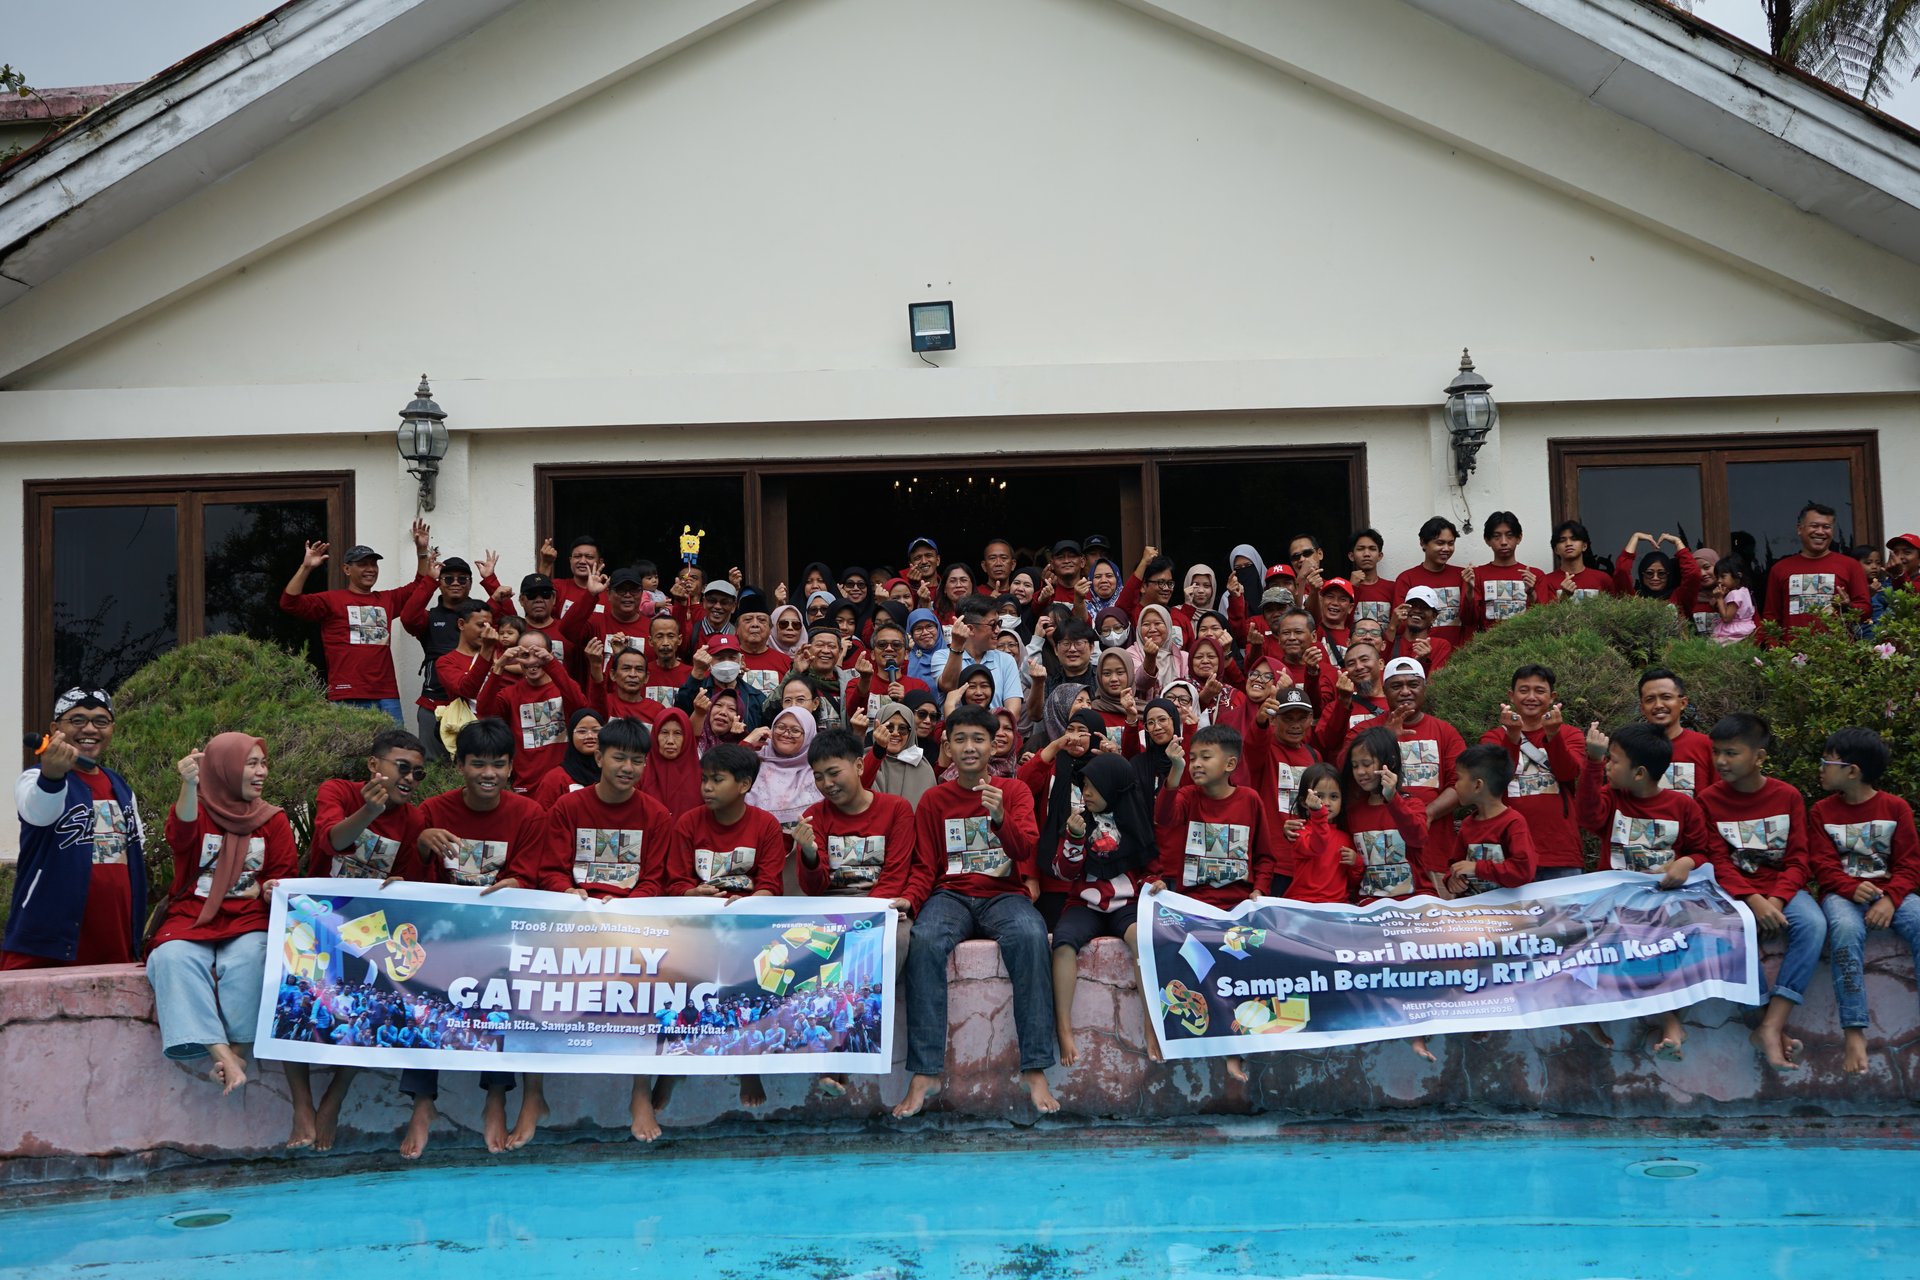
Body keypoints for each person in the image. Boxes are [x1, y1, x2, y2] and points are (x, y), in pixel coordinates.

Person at [895, 706, 1057, 1118]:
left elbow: (1024, 851)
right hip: (950, 895)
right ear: (947, 746)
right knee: (925, 940)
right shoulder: (933, 800)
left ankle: (1035, 1066)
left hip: (1005, 894)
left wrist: (1001, 816)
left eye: (979, 739)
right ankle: (926, 1071)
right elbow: (925, 865)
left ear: (994, 745)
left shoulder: (1015, 791)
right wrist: (911, 902)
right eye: (961, 739)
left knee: (1031, 936)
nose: (970, 747)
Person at [521, 718, 676, 1141]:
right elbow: (549, 870)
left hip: (631, 926)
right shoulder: (568, 808)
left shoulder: (656, 814)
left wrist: (626, 907)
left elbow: (655, 879)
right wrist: (573, 895)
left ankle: (640, 1093)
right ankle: (532, 1093)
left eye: (637, 761)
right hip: (573, 921)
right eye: (619, 757)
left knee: (652, 994)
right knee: (531, 988)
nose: (627, 767)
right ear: (599, 756)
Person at [408, 718, 548, 1157]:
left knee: (507, 993)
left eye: (499, 765)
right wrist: (420, 843)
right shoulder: (429, 812)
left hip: (500, 939)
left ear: (511, 769)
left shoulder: (530, 814)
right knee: (414, 990)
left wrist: (519, 885)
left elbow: (533, 876)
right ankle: (423, 1100)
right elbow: (407, 884)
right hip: (441, 940)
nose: (489, 773)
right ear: (460, 765)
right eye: (478, 764)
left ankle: (496, 1096)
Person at [292, 727, 430, 1150]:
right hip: (316, 918)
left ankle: (337, 1092)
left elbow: (407, 886)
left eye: (418, 774)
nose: (409, 779)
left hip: (367, 928)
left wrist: (402, 882)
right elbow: (332, 841)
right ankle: (302, 1107)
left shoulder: (414, 819)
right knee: (293, 998)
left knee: (376, 999)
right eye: (401, 768)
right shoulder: (337, 790)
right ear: (374, 765)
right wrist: (369, 812)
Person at [147, 733, 297, 1099]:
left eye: (263, 763)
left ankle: (237, 1058)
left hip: (248, 920)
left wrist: (271, 888)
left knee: (254, 956)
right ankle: (223, 1055)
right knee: (170, 958)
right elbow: (181, 835)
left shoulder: (273, 820)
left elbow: (284, 874)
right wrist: (188, 783)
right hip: (192, 917)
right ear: (225, 768)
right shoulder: (196, 809)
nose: (261, 772)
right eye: (251, 764)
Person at [1576, 720, 1715, 1057]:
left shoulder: (1683, 807)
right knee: (1596, 938)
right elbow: (1587, 816)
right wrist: (1593, 764)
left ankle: (1669, 1020)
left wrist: (1686, 863)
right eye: (1607, 759)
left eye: (1613, 760)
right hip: (1615, 900)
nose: (1608, 766)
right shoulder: (1611, 798)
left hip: (1663, 901)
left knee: (1665, 944)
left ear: (1639, 773)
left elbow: (1702, 850)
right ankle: (1596, 1012)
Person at [1694, 713, 1823, 1073]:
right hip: (1735, 894)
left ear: (1760, 757)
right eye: (1717, 752)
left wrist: (1777, 900)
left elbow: (1800, 859)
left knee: (1813, 924)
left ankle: (1772, 1023)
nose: (1721, 761)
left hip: (1783, 890)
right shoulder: (1708, 799)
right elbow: (1718, 861)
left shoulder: (1788, 796)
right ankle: (1763, 1020)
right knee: (1731, 932)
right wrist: (1753, 900)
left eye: (1732, 753)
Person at [793, 727, 919, 1094]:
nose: (827, 783)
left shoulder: (896, 810)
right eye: (818, 776)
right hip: (830, 912)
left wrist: (862, 921)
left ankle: (841, 1056)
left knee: (892, 941)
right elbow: (811, 888)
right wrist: (811, 855)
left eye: (834, 773)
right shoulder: (813, 816)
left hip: (882, 909)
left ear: (860, 765)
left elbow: (895, 875)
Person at [1151, 723, 1276, 1082]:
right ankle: (1189, 1038)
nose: (1196, 763)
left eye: (1206, 756)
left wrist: (1260, 890)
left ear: (1230, 763)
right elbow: (1163, 817)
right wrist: (1174, 773)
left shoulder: (1250, 800)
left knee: (1245, 967)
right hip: (1193, 908)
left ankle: (1236, 1048)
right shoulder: (1187, 797)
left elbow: (1266, 857)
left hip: (1238, 907)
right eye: (1192, 758)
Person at [4, 687, 146, 970]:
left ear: (112, 729)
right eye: (78, 720)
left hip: (115, 933)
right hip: (47, 937)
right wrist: (53, 776)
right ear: (56, 728)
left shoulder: (120, 786)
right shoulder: (34, 778)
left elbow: (135, 851)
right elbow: (39, 813)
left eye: (100, 721)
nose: (90, 728)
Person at [1808, 728, 1920, 1075]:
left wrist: (1892, 898)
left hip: (1891, 894)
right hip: (1842, 897)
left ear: (1852, 771)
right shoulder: (1821, 811)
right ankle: (1854, 1030)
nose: (1821, 769)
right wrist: (1846, 886)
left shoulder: (1895, 808)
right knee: (1844, 930)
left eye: (1827, 762)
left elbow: (1910, 863)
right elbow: (1822, 864)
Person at [1048, 753, 1158, 1066]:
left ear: (1113, 787)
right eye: (1083, 785)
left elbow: (1150, 864)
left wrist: (1156, 881)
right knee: (1064, 942)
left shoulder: (1135, 818)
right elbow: (1063, 872)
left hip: (1126, 902)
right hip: (1085, 902)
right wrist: (1074, 838)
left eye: (1094, 786)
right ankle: (1065, 1029)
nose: (1086, 793)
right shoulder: (1079, 820)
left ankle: (1152, 1026)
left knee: (1142, 938)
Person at [278, 522, 435, 723]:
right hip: (346, 695)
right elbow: (289, 603)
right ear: (346, 569)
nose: (370, 569)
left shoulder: (387, 600)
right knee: (350, 754)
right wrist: (306, 567)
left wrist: (421, 549)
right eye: (363, 564)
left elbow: (420, 586)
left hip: (385, 695)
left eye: (373, 564)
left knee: (394, 752)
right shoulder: (331, 600)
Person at [1347, 658, 1464, 895]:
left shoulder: (1445, 731)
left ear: (1424, 688)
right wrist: (1383, 736)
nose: (1405, 691)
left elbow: (1462, 784)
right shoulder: (1362, 731)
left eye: (1413, 684)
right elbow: (1346, 773)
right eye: (1396, 685)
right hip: (1378, 863)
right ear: (1384, 689)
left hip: (1435, 855)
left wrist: (1428, 814)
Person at [1481, 665, 1586, 880]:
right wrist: (1511, 737)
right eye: (1523, 690)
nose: (1531, 697)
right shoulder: (1492, 738)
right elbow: (1493, 783)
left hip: (1560, 852)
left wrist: (1553, 736)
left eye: (1539, 691)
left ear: (1552, 697)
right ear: (1511, 695)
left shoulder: (1570, 734)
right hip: (1508, 852)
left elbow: (1568, 773)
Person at [477, 630, 589, 792]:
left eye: (537, 653)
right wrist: (500, 666)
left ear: (549, 654)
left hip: (565, 783)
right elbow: (484, 713)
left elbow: (580, 706)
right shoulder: (509, 695)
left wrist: (551, 663)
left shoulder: (564, 688)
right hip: (526, 787)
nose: (531, 661)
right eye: (525, 654)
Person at [401, 554, 483, 761]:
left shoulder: (482, 617)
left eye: (462, 579)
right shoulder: (429, 617)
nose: (455, 583)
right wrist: (428, 579)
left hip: (474, 704)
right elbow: (408, 618)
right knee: (432, 766)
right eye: (448, 578)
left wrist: (491, 582)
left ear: (470, 584)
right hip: (433, 702)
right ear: (440, 584)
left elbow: (509, 626)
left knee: (476, 762)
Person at [1340, 727, 1429, 903]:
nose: (1359, 772)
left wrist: (1393, 799)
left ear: (1391, 762)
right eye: (1355, 765)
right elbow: (1352, 869)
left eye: (1366, 764)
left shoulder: (1412, 804)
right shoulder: (1353, 813)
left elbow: (1418, 838)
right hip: (1369, 904)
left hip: (1415, 901)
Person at [1763, 501, 1871, 635]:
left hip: (1837, 651)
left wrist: (1848, 607)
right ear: (1799, 529)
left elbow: (1866, 611)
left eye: (1826, 527)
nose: (1820, 532)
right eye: (1814, 526)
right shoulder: (1780, 569)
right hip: (1791, 653)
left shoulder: (1850, 566)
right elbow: (1771, 617)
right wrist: (1775, 650)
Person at [1443, 744, 1538, 896]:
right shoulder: (1468, 824)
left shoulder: (1513, 823)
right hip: (1473, 914)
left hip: (1509, 913)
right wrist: (1452, 880)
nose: (1455, 785)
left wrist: (1476, 868)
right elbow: (1455, 865)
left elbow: (1523, 871)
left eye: (1459, 778)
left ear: (1478, 785)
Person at [1279, 763, 1358, 905]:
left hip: (1337, 906)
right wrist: (1318, 815)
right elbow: (1317, 846)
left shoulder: (1346, 837)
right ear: (1304, 802)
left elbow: (1352, 882)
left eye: (1334, 796)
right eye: (1319, 796)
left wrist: (1356, 863)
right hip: (1303, 903)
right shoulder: (1299, 830)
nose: (1326, 803)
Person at [937, 598, 1024, 719]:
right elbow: (949, 686)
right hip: (957, 732)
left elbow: (1013, 713)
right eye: (993, 625)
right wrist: (957, 646)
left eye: (999, 624)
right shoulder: (942, 656)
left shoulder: (1006, 660)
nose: (998, 631)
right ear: (970, 629)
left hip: (996, 733)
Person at [1636, 667, 1714, 798]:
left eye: (1666, 697)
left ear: (1683, 703)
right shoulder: (1630, 747)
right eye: (1650, 699)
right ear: (1642, 708)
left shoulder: (1706, 745)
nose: (1658, 705)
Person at [1393, 518, 1468, 647]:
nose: (1446, 548)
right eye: (1440, 543)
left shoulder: (1462, 576)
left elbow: (1470, 618)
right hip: (1419, 653)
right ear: (1423, 543)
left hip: (1458, 655)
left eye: (1451, 543)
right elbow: (1401, 623)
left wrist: (1471, 590)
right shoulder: (1407, 578)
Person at [746, 706, 823, 828]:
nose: (786, 734)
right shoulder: (753, 761)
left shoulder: (819, 771)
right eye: (780, 727)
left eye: (795, 730)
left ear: (808, 736)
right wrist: (746, 744)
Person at [1462, 511, 1538, 630]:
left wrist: (1531, 593)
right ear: (1487, 540)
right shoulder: (1476, 575)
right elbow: (1469, 620)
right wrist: (1469, 591)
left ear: (1519, 538)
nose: (1503, 542)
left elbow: (1543, 619)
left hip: (1526, 645)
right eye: (1496, 536)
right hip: (1488, 645)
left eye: (1509, 535)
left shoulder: (1534, 575)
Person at [1613, 531, 1702, 627]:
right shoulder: (1632, 599)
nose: (1655, 578)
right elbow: (1622, 571)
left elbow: (1693, 575)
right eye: (1649, 573)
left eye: (1661, 573)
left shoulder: (1679, 598)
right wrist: (1635, 537)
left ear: (1669, 575)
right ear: (1642, 574)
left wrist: (1678, 542)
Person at [529, 709, 604, 808]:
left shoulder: (613, 773)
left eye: (596, 731)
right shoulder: (555, 779)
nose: (590, 736)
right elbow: (543, 818)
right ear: (570, 735)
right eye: (582, 731)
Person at [637, 707, 702, 818]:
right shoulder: (639, 775)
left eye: (678, 733)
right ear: (655, 736)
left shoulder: (703, 778)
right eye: (664, 732)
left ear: (687, 737)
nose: (670, 741)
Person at [1385, 586, 1454, 674]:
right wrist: (1392, 627)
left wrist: (1423, 661)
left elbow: (1433, 684)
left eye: (1424, 607)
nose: (1417, 610)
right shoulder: (1391, 641)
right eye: (1412, 605)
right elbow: (1380, 671)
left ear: (1434, 616)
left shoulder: (1440, 646)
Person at [1545, 520, 1614, 601]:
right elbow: (1544, 612)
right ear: (1556, 549)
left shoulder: (1603, 579)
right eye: (1562, 540)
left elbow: (1614, 611)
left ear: (1584, 546)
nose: (1568, 543)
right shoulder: (1546, 581)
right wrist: (1564, 597)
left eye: (1574, 539)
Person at [1344, 529, 1395, 629]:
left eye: (1372, 549)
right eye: (1360, 549)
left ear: (1380, 556)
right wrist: (1351, 588)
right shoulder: (1341, 587)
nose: (1366, 554)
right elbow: (1339, 623)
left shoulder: (1392, 587)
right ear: (1351, 556)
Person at [1709, 555, 1757, 645]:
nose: (1719, 581)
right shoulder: (1744, 590)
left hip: (1734, 632)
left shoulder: (1734, 594)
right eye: (1717, 577)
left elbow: (1726, 618)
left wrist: (1719, 599)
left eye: (1723, 577)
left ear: (1738, 575)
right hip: (1745, 628)